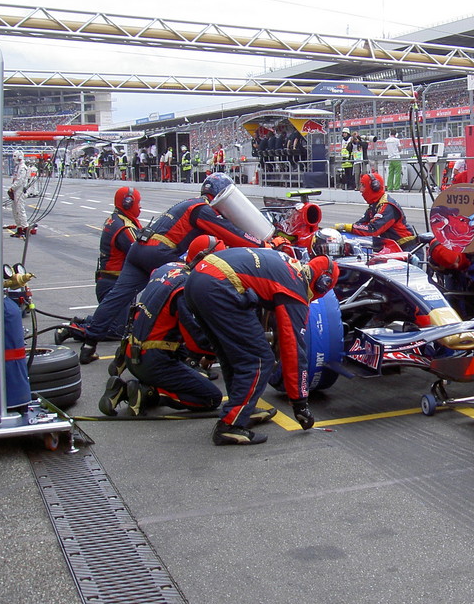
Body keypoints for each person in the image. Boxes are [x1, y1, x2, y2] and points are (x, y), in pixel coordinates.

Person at [70, 174, 268, 363]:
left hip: (138, 250)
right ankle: (192, 354)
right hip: (160, 253)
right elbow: (233, 234)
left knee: (116, 298)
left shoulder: (188, 203)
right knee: (190, 296)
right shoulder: (203, 209)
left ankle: (89, 345)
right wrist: (264, 244)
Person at [185, 246, 340, 445]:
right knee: (259, 359)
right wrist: (300, 402)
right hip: (218, 286)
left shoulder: (289, 264)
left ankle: (242, 410)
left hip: (199, 279)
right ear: (323, 285)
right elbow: (293, 349)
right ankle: (229, 425)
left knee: (233, 356)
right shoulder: (295, 289)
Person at [98, 237, 226, 418]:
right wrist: (224, 350)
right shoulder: (186, 289)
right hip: (153, 360)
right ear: (206, 259)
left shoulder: (168, 268)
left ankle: (131, 388)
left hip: (133, 352)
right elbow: (196, 342)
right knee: (211, 397)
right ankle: (147, 393)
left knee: (194, 371)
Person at [334, 172, 418, 250]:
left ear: (375, 187)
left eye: (363, 186)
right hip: (394, 248)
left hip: (409, 249)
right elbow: (361, 225)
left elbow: (372, 230)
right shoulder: (374, 205)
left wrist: (347, 226)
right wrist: (339, 231)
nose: (360, 190)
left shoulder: (387, 206)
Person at [94, 187, 143, 303]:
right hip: (115, 284)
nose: (140, 206)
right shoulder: (124, 228)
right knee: (119, 321)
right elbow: (142, 255)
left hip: (107, 282)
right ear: (128, 203)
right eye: (138, 202)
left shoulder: (114, 219)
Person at [8, 151, 31, 238]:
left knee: (20, 209)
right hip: (16, 190)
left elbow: (20, 181)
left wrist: (12, 188)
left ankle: (25, 228)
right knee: (15, 210)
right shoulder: (17, 167)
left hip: (20, 191)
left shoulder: (22, 168)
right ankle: (19, 228)